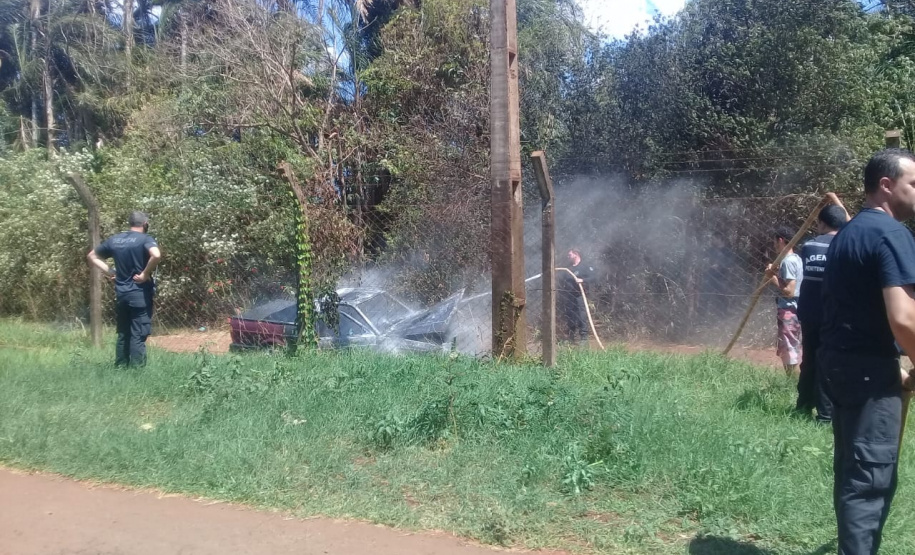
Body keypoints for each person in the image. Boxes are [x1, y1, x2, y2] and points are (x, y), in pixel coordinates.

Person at [820, 148, 915, 555]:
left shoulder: (848, 233)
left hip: (840, 367)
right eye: (914, 184)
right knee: (870, 483)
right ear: (887, 185)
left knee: (853, 473)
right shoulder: (891, 234)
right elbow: (904, 318)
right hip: (869, 374)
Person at [796, 204, 849, 422]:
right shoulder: (846, 246)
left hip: (809, 314)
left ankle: (803, 406)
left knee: (809, 358)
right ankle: (826, 414)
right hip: (834, 316)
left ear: (821, 223)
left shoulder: (809, 246)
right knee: (828, 361)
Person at [87, 211, 161, 367]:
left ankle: (120, 367)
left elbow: (92, 256)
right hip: (139, 293)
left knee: (123, 333)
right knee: (138, 334)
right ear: (145, 224)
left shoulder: (115, 239)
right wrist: (145, 274)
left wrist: (111, 272)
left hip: (121, 293)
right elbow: (156, 255)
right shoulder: (145, 239)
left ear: (130, 224)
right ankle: (137, 371)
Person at [765, 227, 803, 375]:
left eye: (774, 241)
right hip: (796, 308)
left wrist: (772, 277)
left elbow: (789, 291)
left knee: (788, 346)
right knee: (791, 344)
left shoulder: (787, 262)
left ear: (780, 240)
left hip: (789, 309)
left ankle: (791, 381)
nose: (774, 245)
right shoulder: (797, 259)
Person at [557, 249, 594, 345]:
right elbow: (562, 280)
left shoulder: (584, 266)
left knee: (581, 315)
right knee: (570, 315)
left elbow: (594, 277)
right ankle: (571, 336)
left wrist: (582, 280)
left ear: (576, 254)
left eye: (569, 254)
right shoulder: (568, 269)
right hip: (570, 296)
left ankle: (584, 337)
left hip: (580, 295)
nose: (568, 256)